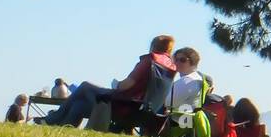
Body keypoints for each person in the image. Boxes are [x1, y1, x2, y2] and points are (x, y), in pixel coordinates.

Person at [40, 35, 178, 127]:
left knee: (85, 86)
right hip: (144, 111)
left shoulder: (150, 60)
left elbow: (126, 85)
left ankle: (52, 119)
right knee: (79, 105)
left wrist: (116, 84)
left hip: (126, 105)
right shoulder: (171, 67)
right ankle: (63, 128)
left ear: (154, 46)